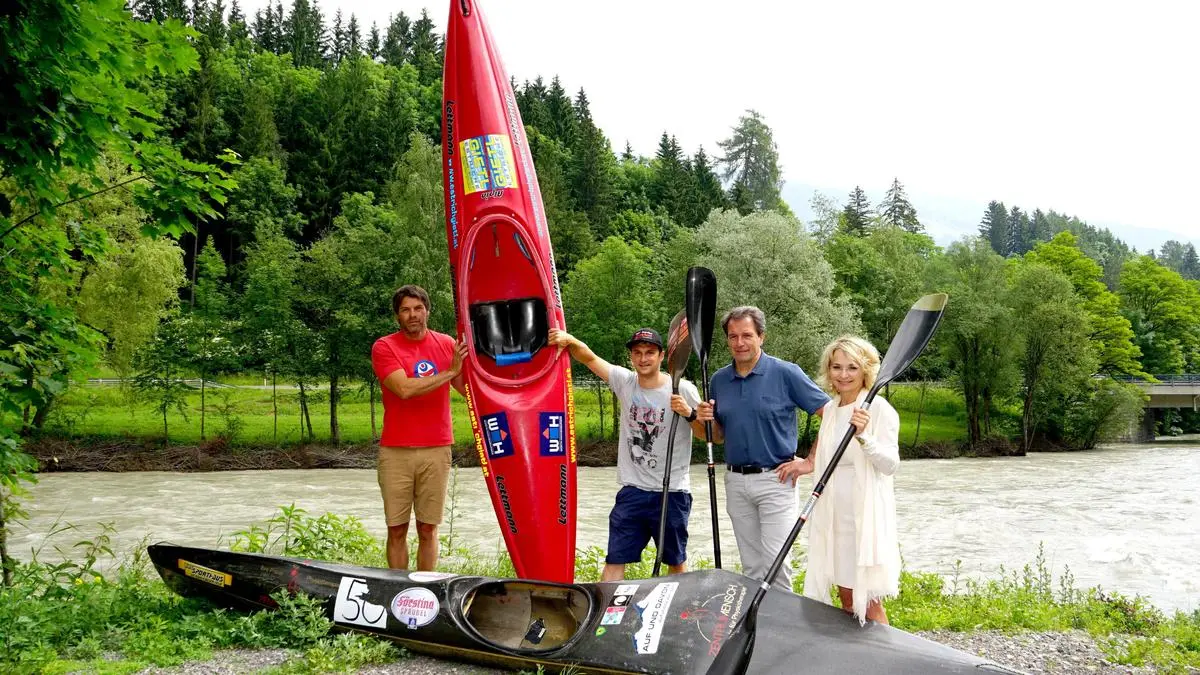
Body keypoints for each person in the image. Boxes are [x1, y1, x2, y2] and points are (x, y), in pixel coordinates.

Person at [548, 327, 704, 581]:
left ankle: (679, 605)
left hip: (672, 492)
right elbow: (588, 357)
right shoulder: (625, 382)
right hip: (632, 491)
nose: (643, 358)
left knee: (675, 561)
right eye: (637, 353)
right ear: (631, 357)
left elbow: (706, 434)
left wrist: (689, 413)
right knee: (615, 559)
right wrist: (570, 340)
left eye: (649, 353)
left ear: (661, 356)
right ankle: (605, 606)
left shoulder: (682, 389)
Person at [694, 306, 829, 593]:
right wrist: (703, 418)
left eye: (747, 335)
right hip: (735, 481)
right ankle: (756, 620)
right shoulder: (718, 380)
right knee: (752, 567)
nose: (739, 343)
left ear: (761, 337)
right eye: (733, 336)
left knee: (776, 565)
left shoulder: (785, 373)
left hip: (776, 479)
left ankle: (782, 620)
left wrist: (811, 461)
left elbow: (831, 413)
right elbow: (718, 437)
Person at [800, 335, 901, 624]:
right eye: (837, 367)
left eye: (852, 367)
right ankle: (855, 653)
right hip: (834, 517)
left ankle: (885, 651)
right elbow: (826, 460)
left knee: (867, 602)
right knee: (846, 598)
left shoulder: (879, 408)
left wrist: (864, 437)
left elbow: (890, 465)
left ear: (865, 370)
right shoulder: (831, 410)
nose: (843, 374)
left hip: (863, 518)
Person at [371, 285, 468, 571]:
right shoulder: (384, 347)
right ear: (397, 316)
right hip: (396, 451)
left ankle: (425, 589)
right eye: (405, 310)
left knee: (428, 528)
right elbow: (404, 389)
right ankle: (397, 587)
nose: (412, 315)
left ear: (427, 311)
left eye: (418, 308)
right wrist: (449, 371)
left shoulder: (447, 344)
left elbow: (467, 390)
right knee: (396, 529)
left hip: (437, 448)